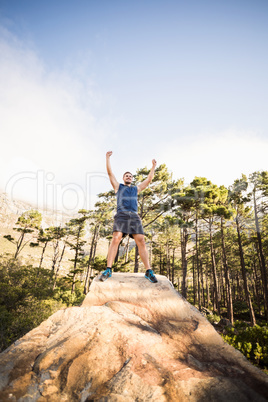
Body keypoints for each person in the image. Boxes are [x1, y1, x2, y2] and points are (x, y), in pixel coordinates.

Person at [99, 151, 158, 283]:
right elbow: (110, 173)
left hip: (134, 217)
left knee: (141, 240)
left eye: (130, 176)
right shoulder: (118, 187)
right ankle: (108, 269)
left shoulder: (136, 189)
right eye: (127, 175)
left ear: (132, 179)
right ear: (123, 178)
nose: (129, 177)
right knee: (116, 238)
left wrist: (153, 167)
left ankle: (148, 271)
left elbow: (148, 180)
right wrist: (107, 158)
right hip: (121, 215)